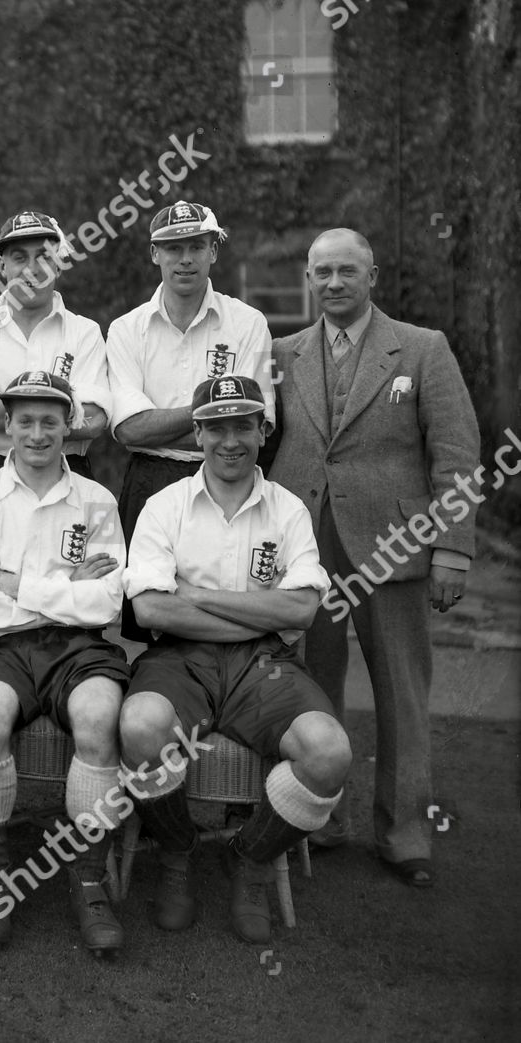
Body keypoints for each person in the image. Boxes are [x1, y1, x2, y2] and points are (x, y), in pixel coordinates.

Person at [268, 228, 480, 887]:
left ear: (373, 276)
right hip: (309, 544)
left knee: (403, 692)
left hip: (395, 546)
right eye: (322, 271)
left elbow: (456, 455)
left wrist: (453, 549)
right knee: (313, 688)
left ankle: (405, 832)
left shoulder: (422, 348)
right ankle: (321, 819)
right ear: (309, 278)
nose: (333, 282)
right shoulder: (281, 353)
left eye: (347, 271)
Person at [119, 375, 351, 944]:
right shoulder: (162, 504)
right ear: (196, 434)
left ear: (262, 431)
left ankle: (249, 860)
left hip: (264, 664)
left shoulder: (288, 508)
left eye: (243, 425)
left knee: (329, 753)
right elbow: (151, 610)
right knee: (140, 725)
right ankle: (177, 852)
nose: (230, 440)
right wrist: (258, 610)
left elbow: (300, 611)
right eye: (216, 426)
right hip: (181, 659)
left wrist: (197, 596)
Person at [0, 371, 130, 951]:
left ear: (67, 427)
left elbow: (104, 602)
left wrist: (19, 584)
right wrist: (62, 588)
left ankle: (88, 880)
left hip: (79, 649)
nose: (36, 433)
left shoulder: (97, 500)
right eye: (24, 420)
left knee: (101, 717)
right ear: (6, 425)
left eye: (49, 420)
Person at [107, 201, 274, 642]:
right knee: (153, 620)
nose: (185, 258)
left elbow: (259, 425)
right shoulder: (126, 329)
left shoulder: (248, 323)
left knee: (228, 612)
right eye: (173, 247)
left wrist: (169, 419)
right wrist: (218, 414)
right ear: (154, 254)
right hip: (151, 480)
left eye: (197, 246)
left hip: (228, 480)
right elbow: (129, 430)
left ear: (213, 251)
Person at [0, 212, 111, 487]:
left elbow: (93, 419)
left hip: (70, 475)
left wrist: (0, 397)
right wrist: (63, 404)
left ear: (58, 264)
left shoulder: (85, 332)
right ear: (2, 266)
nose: (32, 269)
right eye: (20, 257)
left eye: (44, 257)